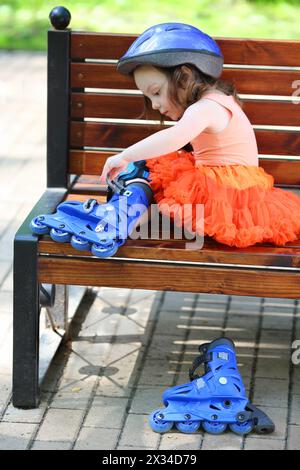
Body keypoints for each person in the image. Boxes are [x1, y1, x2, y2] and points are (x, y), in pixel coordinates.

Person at [99, 22, 300, 248]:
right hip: (225, 184)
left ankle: (125, 216)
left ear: (184, 78)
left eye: (156, 93)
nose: (154, 105)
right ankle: (127, 215)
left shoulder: (205, 108)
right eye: (149, 98)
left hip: (227, 195)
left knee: (156, 165)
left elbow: (174, 137)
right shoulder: (216, 100)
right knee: (161, 169)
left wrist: (125, 155)